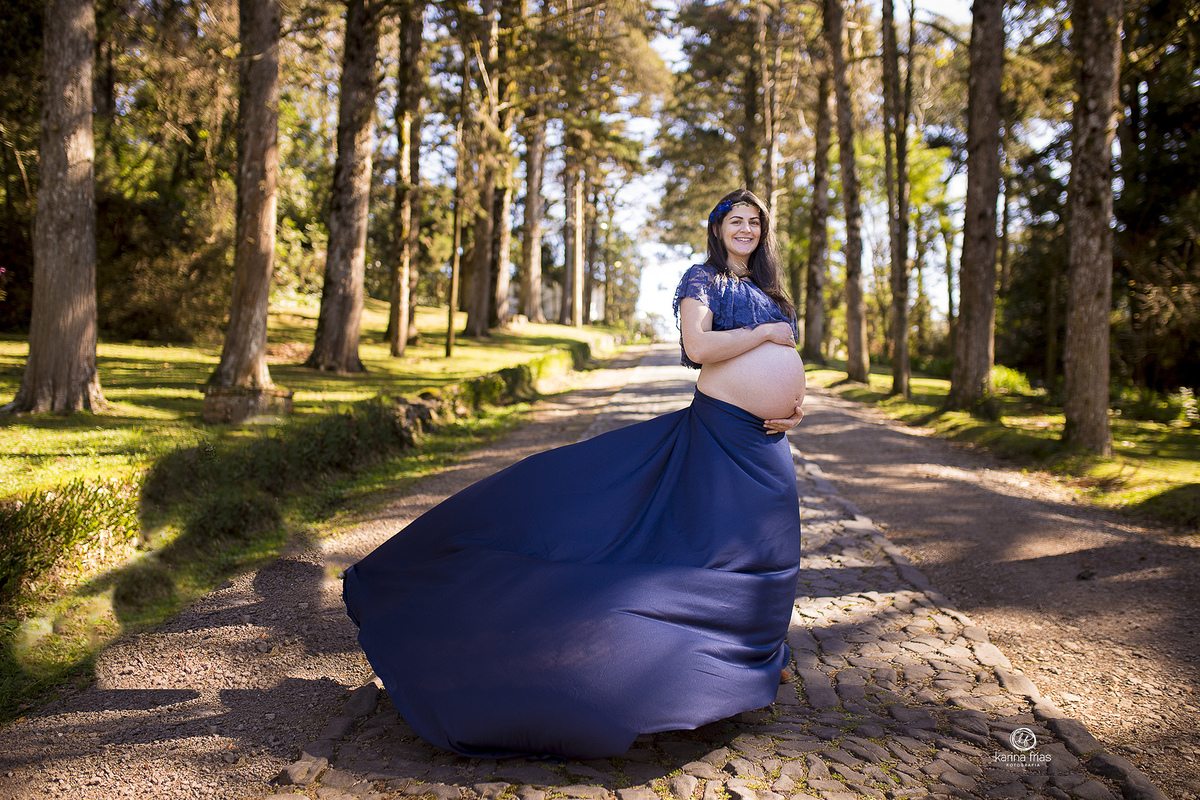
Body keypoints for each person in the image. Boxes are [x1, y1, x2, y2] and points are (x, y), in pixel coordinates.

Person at [342, 189, 805, 760]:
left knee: (770, 549)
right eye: (736, 220)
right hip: (717, 437)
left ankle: (761, 653)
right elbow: (697, 345)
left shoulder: (769, 290)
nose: (747, 229)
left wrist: (792, 404)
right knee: (709, 551)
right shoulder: (702, 279)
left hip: (768, 442)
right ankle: (712, 667)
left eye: (755, 222)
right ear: (717, 228)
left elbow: (783, 365)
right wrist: (766, 337)